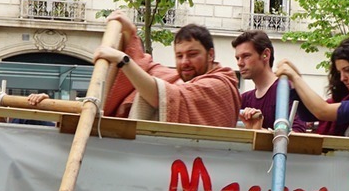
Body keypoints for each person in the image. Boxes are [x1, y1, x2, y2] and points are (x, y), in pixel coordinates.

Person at [93, 15, 240, 127]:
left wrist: (122, 60)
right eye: (179, 56)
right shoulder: (176, 78)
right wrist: (128, 33)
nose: (185, 62)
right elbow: (146, 67)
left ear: (211, 55)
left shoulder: (220, 85)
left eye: (192, 54)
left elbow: (164, 96)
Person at [232, 30, 279, 129]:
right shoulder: (243, 99)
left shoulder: (286, 91)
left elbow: (299, 137)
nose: (239, 63)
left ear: (265, 55)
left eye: (246, 56)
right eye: (237, 58)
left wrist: (258, 130)